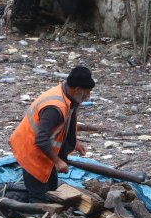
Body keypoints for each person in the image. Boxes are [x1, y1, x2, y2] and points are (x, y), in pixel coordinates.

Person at [9, 66, 95, 203]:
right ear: (77, 89)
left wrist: (73, 142)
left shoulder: (69, 97)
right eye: (87, 92)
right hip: (31, 152)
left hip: (43, 151)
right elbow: (41, 139)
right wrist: (58, 161)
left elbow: (62, 125)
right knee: (39, 198)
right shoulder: (54, 107)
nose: (88, 96)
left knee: (52, 190)